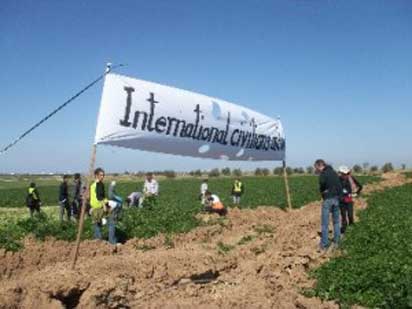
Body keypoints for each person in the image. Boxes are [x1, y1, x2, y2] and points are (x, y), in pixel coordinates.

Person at [314, 159, 342, 251]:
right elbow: (339, 186)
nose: (317, 170)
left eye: (316, 168)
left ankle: (324, 244)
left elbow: (322, 184)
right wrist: (339, 198)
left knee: (325, 223)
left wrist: (323, 192)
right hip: (336, 199)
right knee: (336, 222)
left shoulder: (323, 174)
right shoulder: (334, 172)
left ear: (319, 165)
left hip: (328, 200)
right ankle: (337, 241)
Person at [90, 168, 117, 244]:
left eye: (103, 175)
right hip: (100, 207)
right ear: (96, 175)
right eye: (101, 175)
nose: (102, 177)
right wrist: (105, 205)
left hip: (95, 207)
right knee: (111, 222)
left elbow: (95, 196)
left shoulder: (93, 185)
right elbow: (99, 197)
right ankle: (112, 242)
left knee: (97, 224)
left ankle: (98, 241)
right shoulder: (99, 184)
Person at [338, 166, 363, 234]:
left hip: (349, 200)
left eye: (347, 173)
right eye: (343, 174)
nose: (345, 175)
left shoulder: (351, 179)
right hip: (341, 201)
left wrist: (356, 193)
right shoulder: (338, 180)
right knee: (343, 216)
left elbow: (360, 186)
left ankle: (351, 227)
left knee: (350, 215)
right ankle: (344, 229)